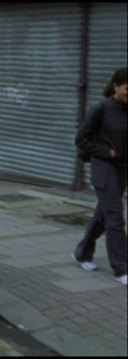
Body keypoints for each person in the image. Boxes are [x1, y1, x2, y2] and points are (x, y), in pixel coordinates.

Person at [73, 67, 127, 286]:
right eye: (127, 89)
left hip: (122, 169)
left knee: (103, 215)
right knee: (115, 218)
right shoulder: (101, 109)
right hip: (103, 168)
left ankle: (82, 253)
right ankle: (121, 268)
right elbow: (81, 139)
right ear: (115, 86)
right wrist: (106, 152)